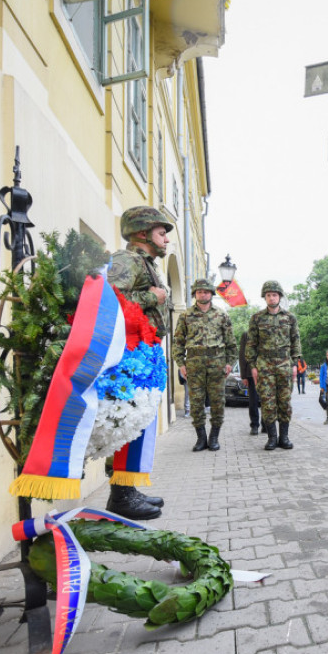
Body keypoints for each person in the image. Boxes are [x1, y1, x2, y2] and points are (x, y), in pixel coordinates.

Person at [105, 205, 174, 520]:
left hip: (146, 351)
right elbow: (110, 300)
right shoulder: (126, 261)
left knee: (139, 423)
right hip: (131, 354)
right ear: (143, 233)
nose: (167, 240)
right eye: (162, 233)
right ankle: (120, 496)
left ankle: (128, 489)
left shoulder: (145, 264)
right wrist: (153, 298)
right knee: (128, 421)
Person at [173, 279, 237, 452]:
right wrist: (180, 363)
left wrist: (230, 362)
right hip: (194, 363)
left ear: (211, 294)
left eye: (206, 291)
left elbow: (231, 343)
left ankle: (214, 437)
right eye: (199, 291)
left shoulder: (222, 315)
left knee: (217, 402)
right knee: (196, 402)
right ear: (195, 294)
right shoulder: (185, 316)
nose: (203, 294)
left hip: (217, 363)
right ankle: (201, 438)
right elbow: (178, 342)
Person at [246, 280, 302, 451]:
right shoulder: (257, 318)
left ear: (279, 296)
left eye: (275, 295)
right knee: (268, 402)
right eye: (269, 295)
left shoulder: (289, 318)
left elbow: (295, 341)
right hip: (264, 365)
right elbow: (251, 344)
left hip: (285, 364)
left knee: (284, 401)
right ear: (265, 297)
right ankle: (272, 437)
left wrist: (294, 364)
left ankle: (284, 437)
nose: (272, 298)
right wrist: (253, 367)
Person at [239, 330, 262, 435]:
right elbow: (242, 355)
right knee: (253, 400)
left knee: (267, 400)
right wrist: (243, 375)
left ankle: (266, 424)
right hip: (250, 373)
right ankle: (254, 425)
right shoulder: (246, 334)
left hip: (266, 372)